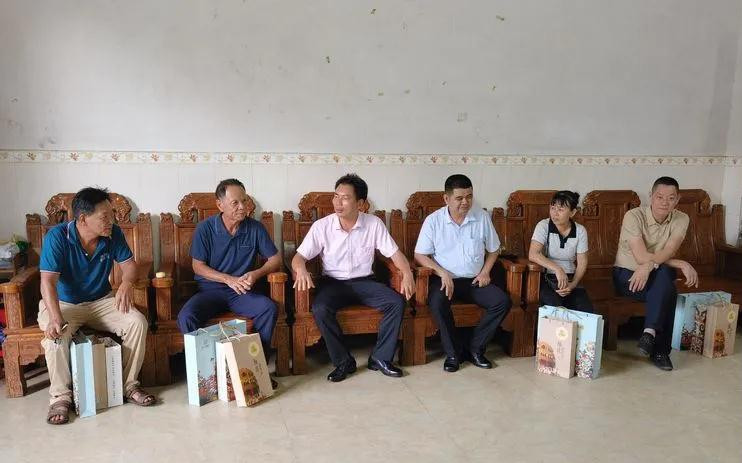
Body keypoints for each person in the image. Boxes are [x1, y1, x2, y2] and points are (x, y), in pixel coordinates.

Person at [39, 187, 155, 425]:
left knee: (137, 322)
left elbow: (130, 266)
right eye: (105, 216)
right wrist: (55, 316)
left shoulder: (113, 234)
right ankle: (60, 397)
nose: (111, 220)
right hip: (64, 303)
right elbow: (47, 282)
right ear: (83, 219)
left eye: (112, 214)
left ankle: (128, 385)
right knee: (54, 337)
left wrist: (126, 283)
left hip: (101, 301)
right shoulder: (57, 237)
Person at [292, 173, 415, 382]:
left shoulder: (373, 224)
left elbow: (395, 254)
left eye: (345, 198)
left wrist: (408, 273)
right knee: (320, 308)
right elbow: (298, 258)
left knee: (396, 302)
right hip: (333, 284)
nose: (338, 203)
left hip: (365, 281)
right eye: (336, 196)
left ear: (360, 203)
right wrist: (301, 269)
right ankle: (343, 362)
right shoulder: (322, 226)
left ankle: (380, 357)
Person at [413, 174, 511, 373]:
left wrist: (485, 272)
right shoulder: (434, 221)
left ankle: (475, 348)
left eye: (469, 196)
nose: (465, 202)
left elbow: (494, 250)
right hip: (444, 280)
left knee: (501, 301)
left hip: (473, 280)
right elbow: (419, 254)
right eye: (459, 198)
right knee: (437, 303)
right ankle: (453, 354)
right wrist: (441, 272)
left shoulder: (481, 217)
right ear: (446, 198)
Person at [177, 179, 281, 363]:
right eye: (235, 203)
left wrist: (256, 273)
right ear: (220, 205)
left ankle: (256, 364)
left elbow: (275, 260)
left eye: (244, 200)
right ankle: (206, 369)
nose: (242, 207)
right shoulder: (205, 228)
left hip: (241, 292)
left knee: (268, 308)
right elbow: (197, 266)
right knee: (186, 317)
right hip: (210, 291)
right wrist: (227, 279)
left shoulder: (255, 228)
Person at [613, 176, 698, 371]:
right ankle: (660, 352)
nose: (664, 202)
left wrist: (649, 265)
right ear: (651, 196)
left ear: (677, 199)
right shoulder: (633, 216)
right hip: (628, 276)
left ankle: (649, 333)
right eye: (660, 197)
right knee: (668, 288)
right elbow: (640, 256)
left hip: (655, 275)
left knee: (664, 279)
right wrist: (681, 263)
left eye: (671, 198)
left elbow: (669, 250)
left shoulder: (681, 218)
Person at [528, 191, 593, 312]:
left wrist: (573, 284)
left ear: (572, 212)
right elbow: (533, 254)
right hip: (546, 278)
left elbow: (582, 262)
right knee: (555, 308)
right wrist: (558, 269)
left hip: (570, 278)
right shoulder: (543, 226)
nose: (555, 213)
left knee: (585, 310)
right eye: (553, 208)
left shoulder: (580, 231)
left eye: (561, 209)